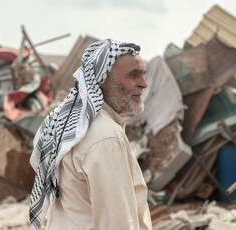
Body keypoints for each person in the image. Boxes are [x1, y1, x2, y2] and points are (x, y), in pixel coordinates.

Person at [29, 39, 152, 230]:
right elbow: (117, 222)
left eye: (143, 75)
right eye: (133, 75)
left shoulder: (76, 126)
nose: (143, 84)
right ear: (102, 80)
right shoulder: (105, 137)